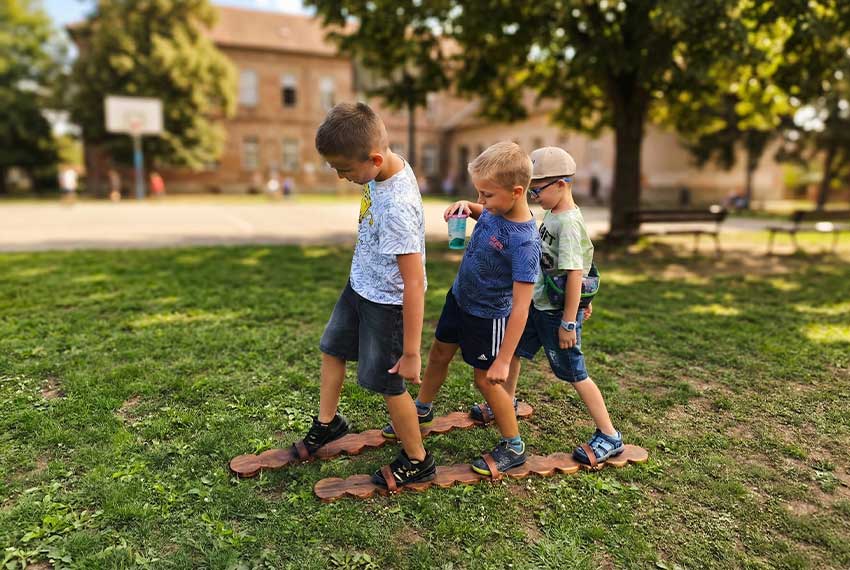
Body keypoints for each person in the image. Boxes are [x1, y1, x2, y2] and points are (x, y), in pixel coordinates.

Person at [290, 102, 435, 489]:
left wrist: (411, 351)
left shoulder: (399, 209)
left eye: (345, 170)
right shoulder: (383, 163)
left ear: (373, 159)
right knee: (332, 348)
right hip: (359, 284)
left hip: (385, 303)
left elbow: (415, 282)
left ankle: (418, 459)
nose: (340, 177)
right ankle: (329, 424)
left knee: (387, 383)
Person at [383, 141, 541, 477]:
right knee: (439, 352)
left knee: (486, 381)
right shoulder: (497, 209)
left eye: (487, 195)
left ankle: (514, 445)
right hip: (459, 300)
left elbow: (522, 309)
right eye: (478, 193)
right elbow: (490, 217)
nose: (482, 200)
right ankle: (422, 409)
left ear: (516, 192)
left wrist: (503, 359)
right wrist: (470, 207)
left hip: (488, 316)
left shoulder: (525, 243)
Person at [504, 146, 624, 466]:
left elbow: (575, 274)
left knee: (575, 373)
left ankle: (609, 435)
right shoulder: (553, 213)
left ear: (562, 184)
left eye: (537, 189)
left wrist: (570, 320)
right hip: (538, 305)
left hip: (556, 314)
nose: (533, 196)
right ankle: (507, 401)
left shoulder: (568, 223)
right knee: (514, 350)